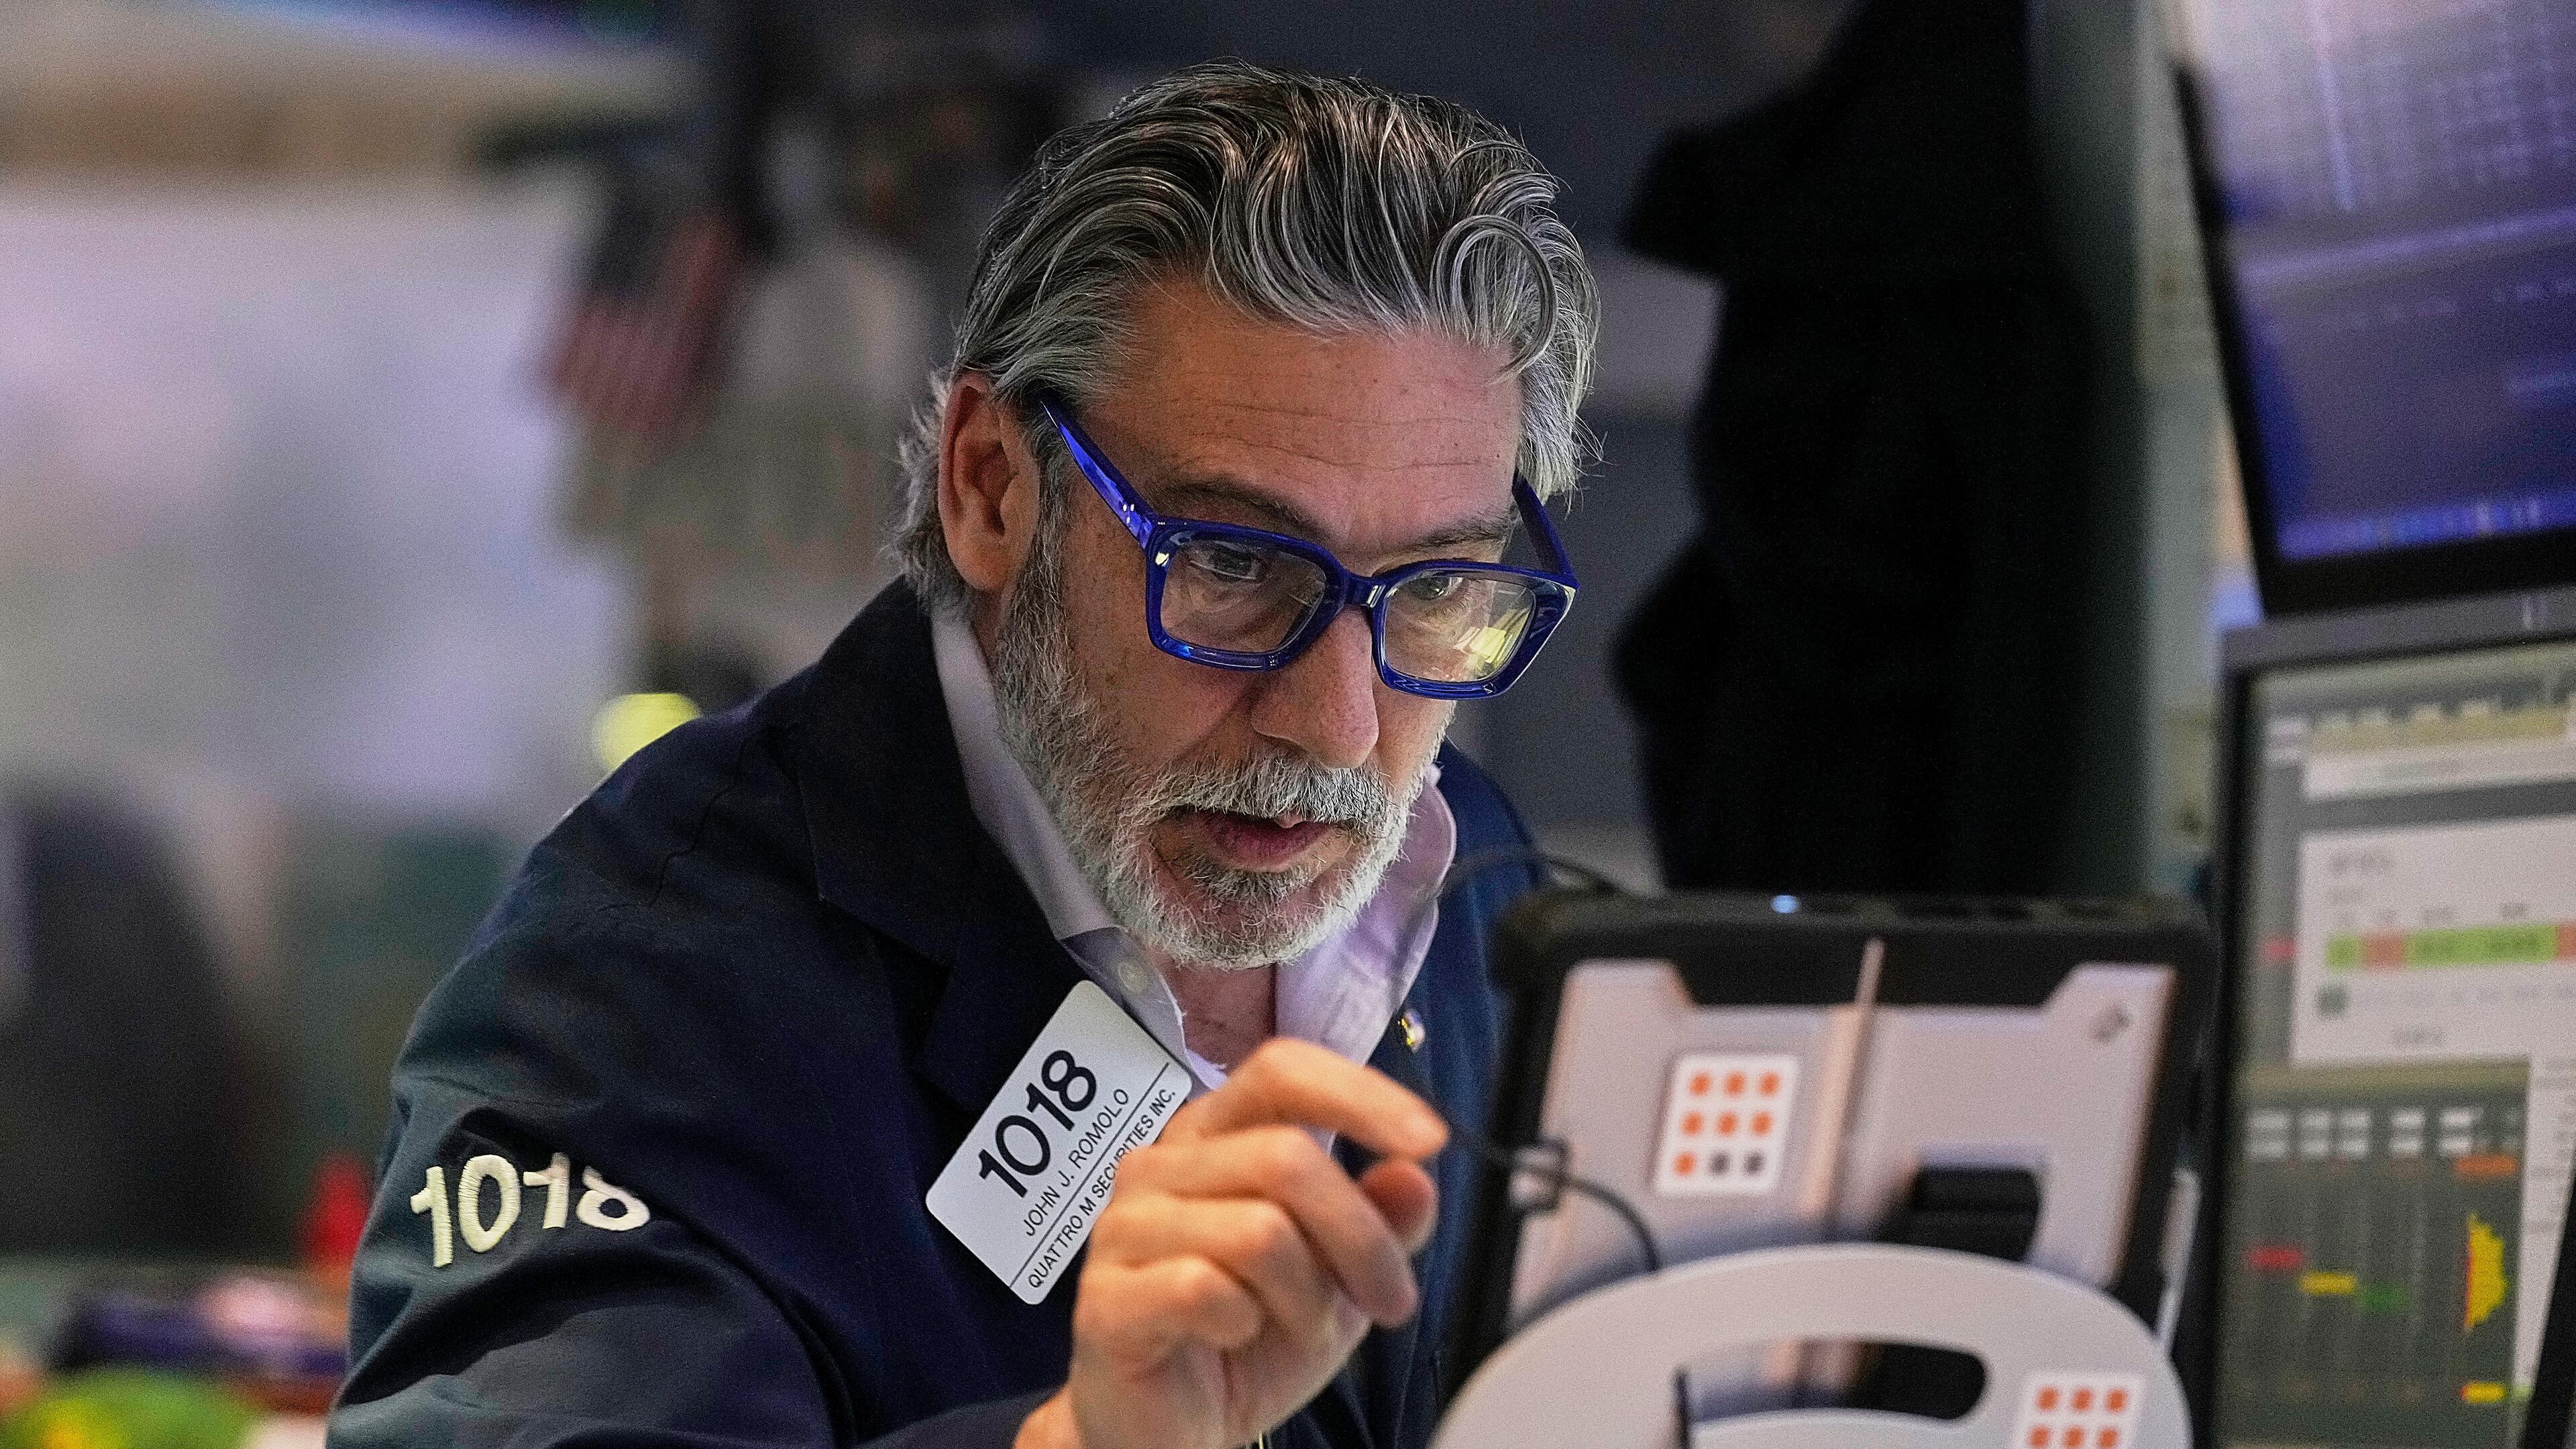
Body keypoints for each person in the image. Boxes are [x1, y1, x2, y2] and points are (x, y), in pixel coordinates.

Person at [332, 61, 1597, 1449]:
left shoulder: (1480, 898)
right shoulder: (630, 995)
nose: (1339, 725)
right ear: (991, 486)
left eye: (1432, 589)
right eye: (1233, 563)